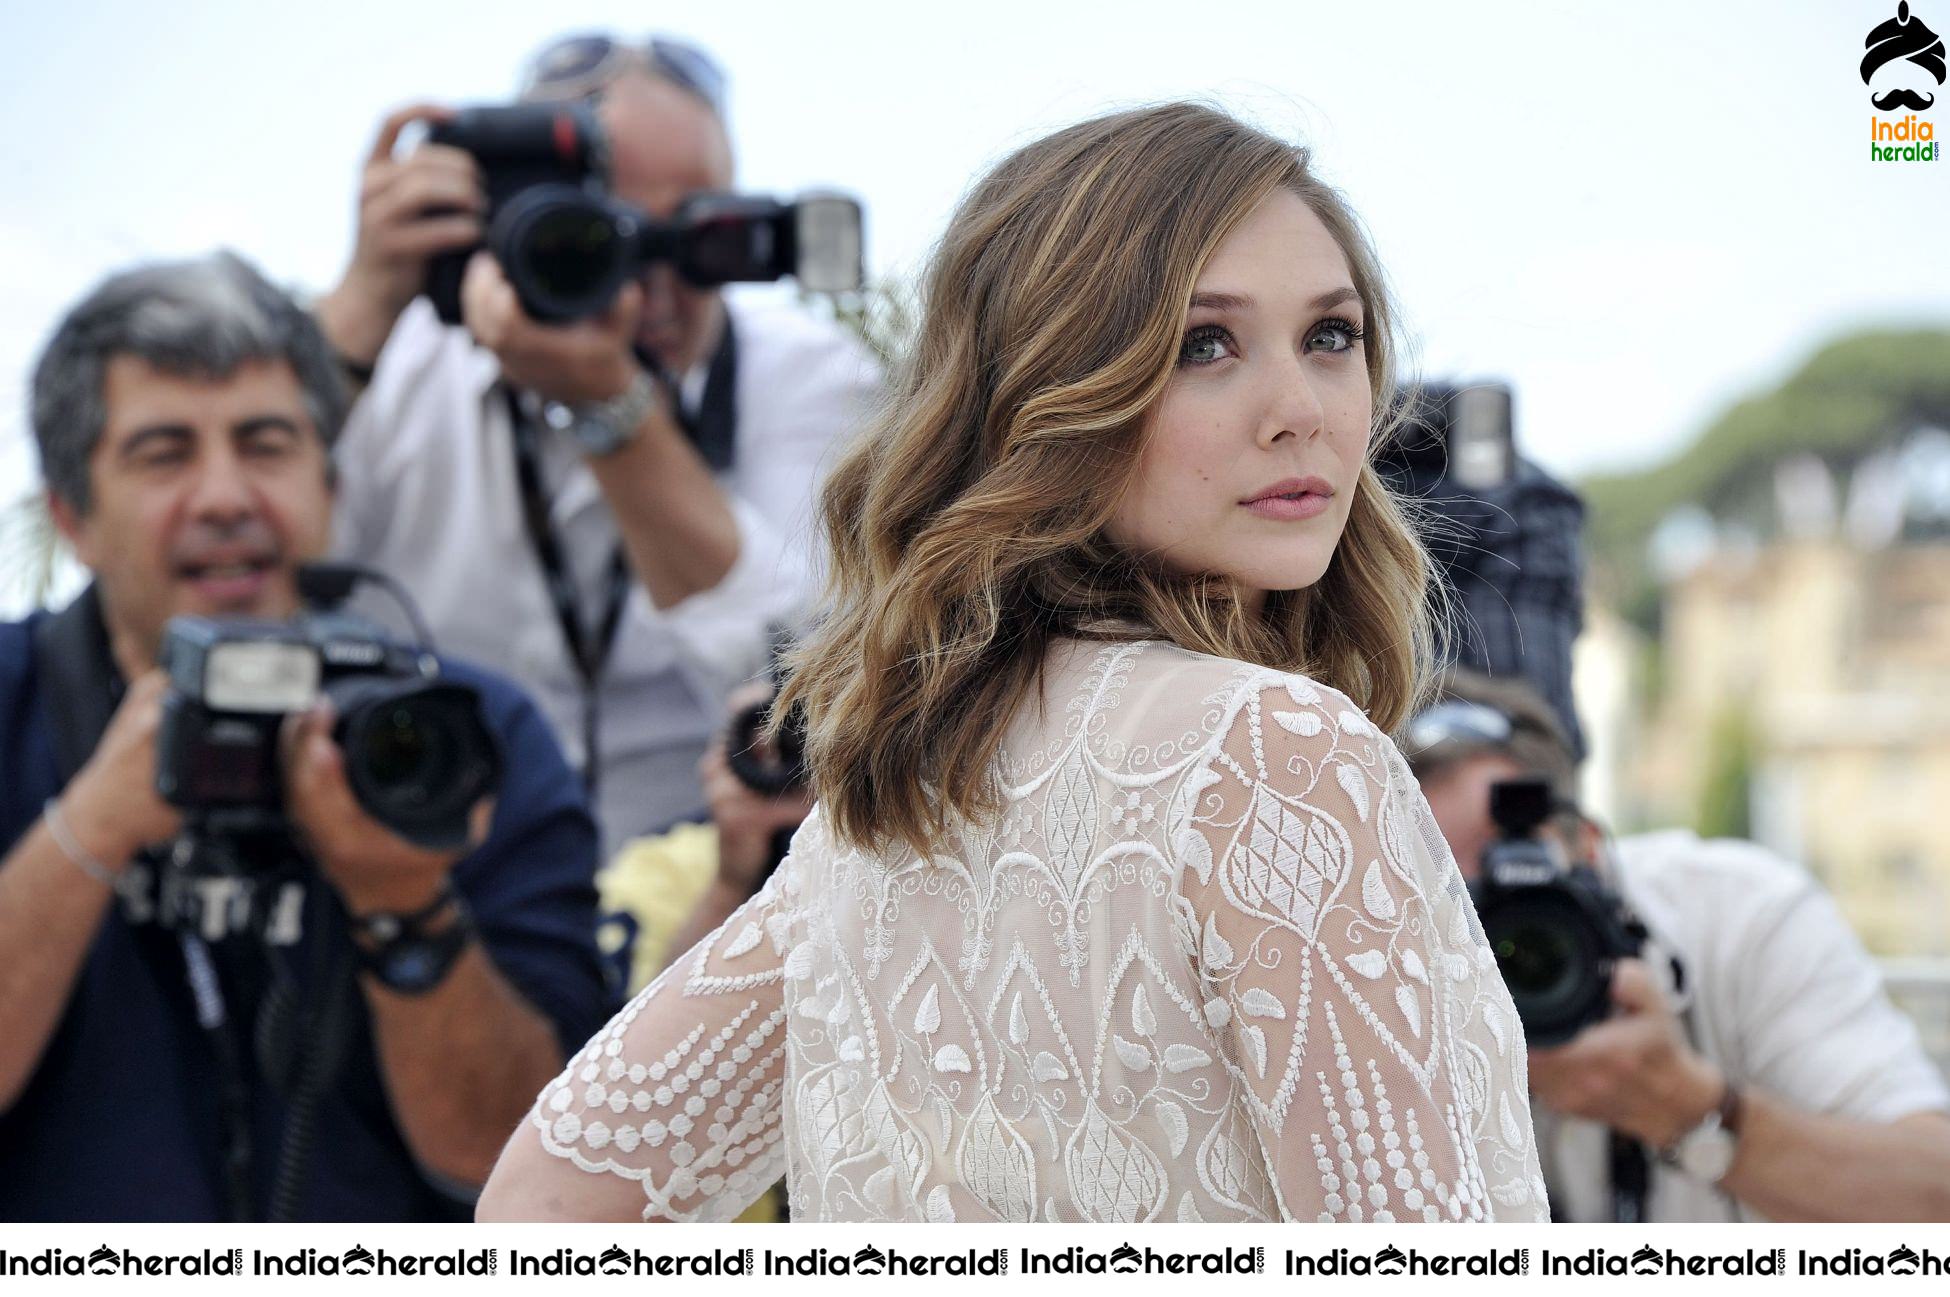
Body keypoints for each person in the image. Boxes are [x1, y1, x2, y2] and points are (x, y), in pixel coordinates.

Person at [477, 101, 1549, 1223]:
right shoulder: (1277, 755)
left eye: (1330, 335)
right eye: (1203, 345)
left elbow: (544, 1212)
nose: (1301, 411)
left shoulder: (881, 813)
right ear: (1048, 396)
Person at [0, 253, 612, 1221]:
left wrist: (403, 901)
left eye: (266, 442)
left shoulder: (461, 734)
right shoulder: (11, 696)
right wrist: (90, 829)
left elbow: (537, 1179)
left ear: (328, 484)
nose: (225, 497)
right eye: (164, 453)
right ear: (72, 515)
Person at [314, 33, 881, 859]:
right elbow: (241, 577)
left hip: (720, 891)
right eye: (593, 240)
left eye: (691, 238)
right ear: (492, 231)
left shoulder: (812, 380)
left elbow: (811, 711)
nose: (647, 285)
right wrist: (359, 307)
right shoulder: (396, 369)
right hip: (430, 873)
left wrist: (617, 416)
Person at [1404, 669, 1950, 1222]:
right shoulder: (1359, 997)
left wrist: (1686, 1108)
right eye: (1428, 882)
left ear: (1590, 851)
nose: (1475, 924)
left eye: (1508, 867)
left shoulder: (1742, 917)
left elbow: (1932, 1197)